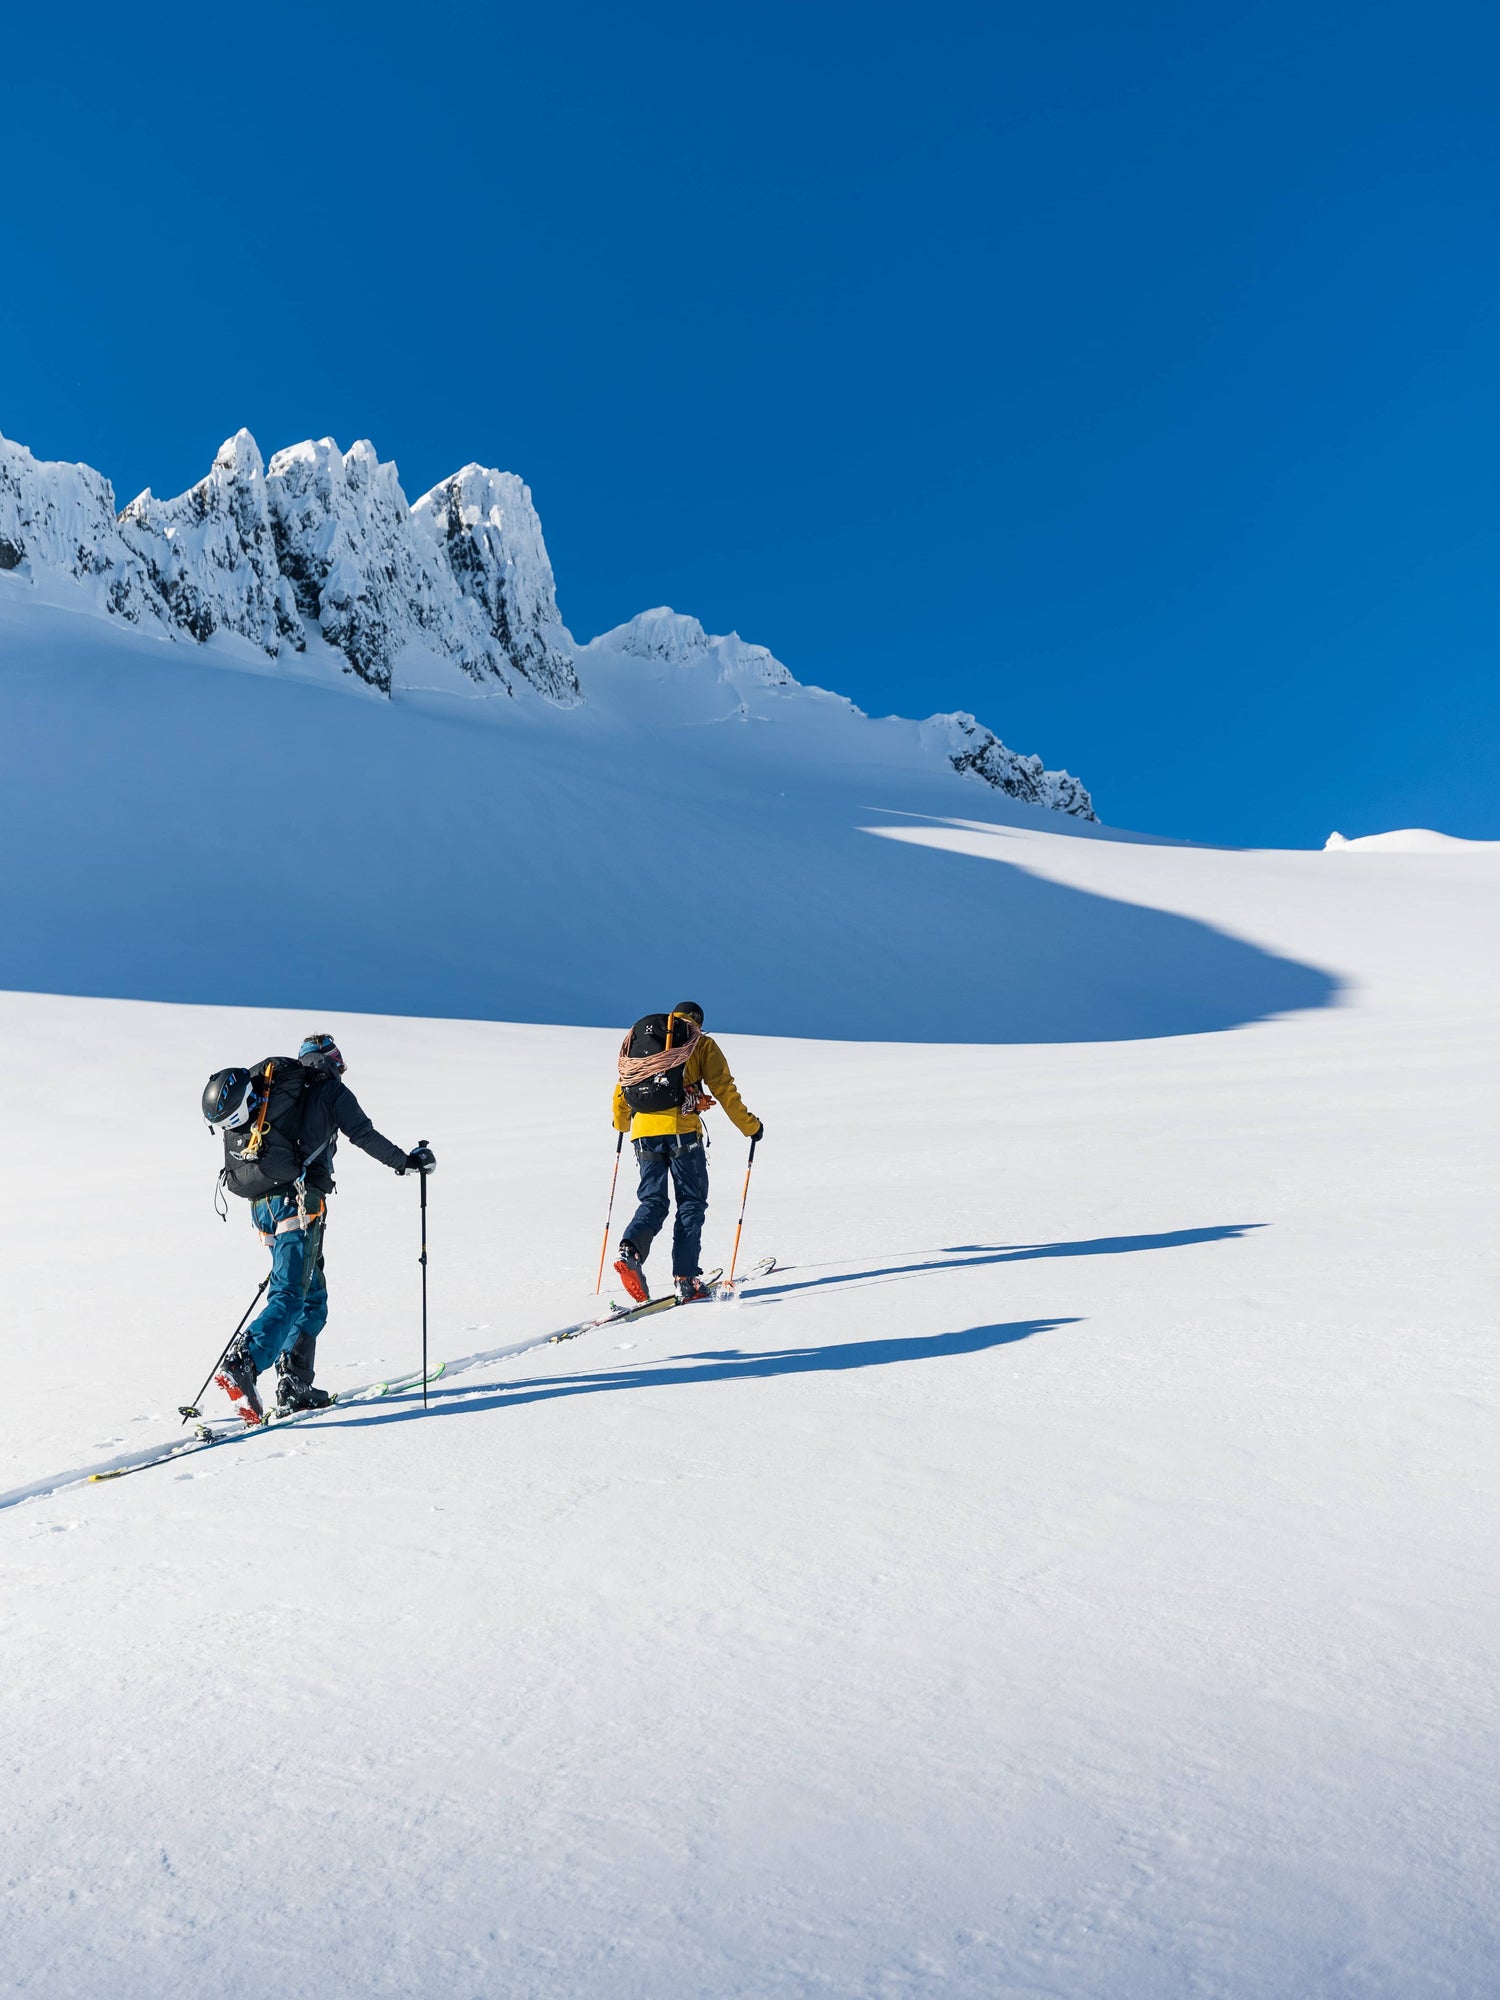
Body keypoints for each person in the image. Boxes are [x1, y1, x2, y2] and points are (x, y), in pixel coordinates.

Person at [201, 1034, 435, 1421]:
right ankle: (245, 1362)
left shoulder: (277, 1094)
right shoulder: (329, 1092)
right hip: (299, 1203)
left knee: (311, 1298)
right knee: (291, 1294)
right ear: (331, 1062)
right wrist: (407, 1162)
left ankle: (296, 1384)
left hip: (263, 1206)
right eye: (338, 1059)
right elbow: (363, 1134)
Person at [611, 1001, 762, 1305]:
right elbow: (724, 1089)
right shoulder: (701, 1043)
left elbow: (624, 1087)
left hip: (643, 1135)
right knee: (690, 1203)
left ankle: (630, 1251)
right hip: (682, 1133)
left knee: (653, 1201)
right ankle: (686, 1278)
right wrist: (750, 1127)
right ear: (698, 1022)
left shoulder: (646, 1045)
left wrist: (622, 1123)